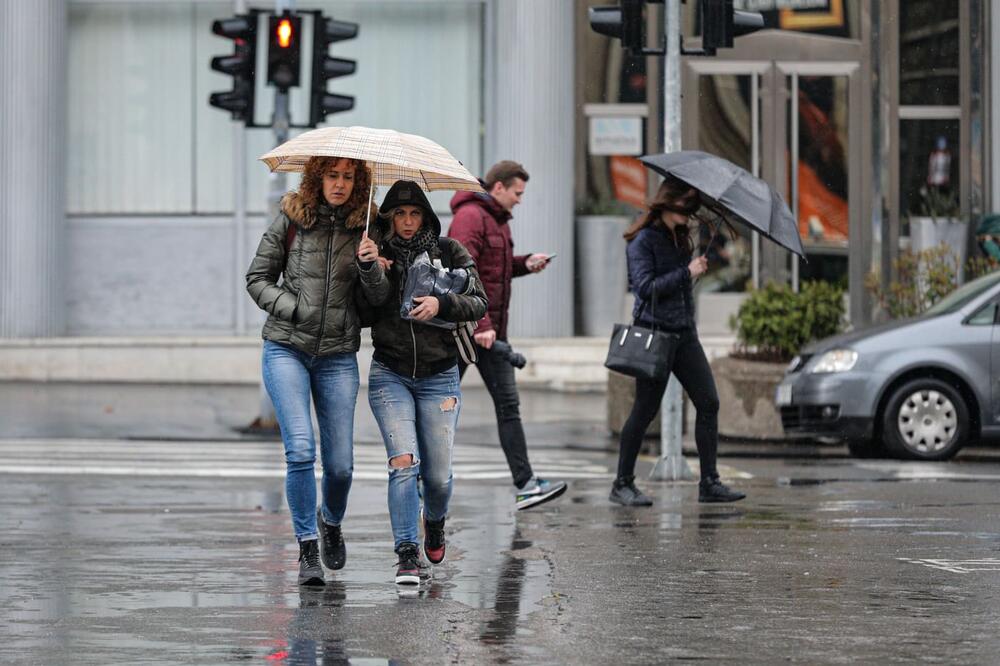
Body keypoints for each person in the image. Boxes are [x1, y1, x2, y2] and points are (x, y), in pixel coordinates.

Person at [246, 156, 389, 586]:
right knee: (302, 450)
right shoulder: (292, 218)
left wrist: (370, 266)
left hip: (338, 356)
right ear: (317, 178)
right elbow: (257, 277)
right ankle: (308, 549)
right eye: (332, 175)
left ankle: (331, 521)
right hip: (286, 349)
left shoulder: (368, 229)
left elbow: (377, 303)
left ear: (357, 183)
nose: (340, 184)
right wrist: (294, 309)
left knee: (342, 465)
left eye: (348, 177)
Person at [366, 180, 487, 586]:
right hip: (390, 373)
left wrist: (442, 303)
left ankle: (434, 523)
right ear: (388, 217)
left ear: (426, 217)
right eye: (398, 214)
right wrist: (370, 271)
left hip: (439, 377)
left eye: (414, 213)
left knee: (437, 476)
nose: (406, 221)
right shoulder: (375, 252)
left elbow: (479, 301)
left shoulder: (449, 251)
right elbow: (362, 311)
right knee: (403, 463)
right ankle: (406, 553)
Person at [611, 176, 746, 507]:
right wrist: (687, 272)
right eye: (685, 205)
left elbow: (677, 286)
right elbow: (644, 288)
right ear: (668, 204)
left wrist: (691, 273)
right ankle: (622, 483)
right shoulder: (643, 241)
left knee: (709, 402)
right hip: (655, 335)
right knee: (644, 411)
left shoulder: (682, 238)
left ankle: (710, 481)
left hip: (685, 334)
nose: (690, 213)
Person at [447, 161, 568, 511]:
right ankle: (424, 481)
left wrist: (525, 263)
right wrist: (481, 324)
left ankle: (527, 484)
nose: (520, 200)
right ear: (497, 187)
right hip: (466, 332)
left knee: (508, 407)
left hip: (490, 334)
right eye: (517, 192)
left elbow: (492, 270)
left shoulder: (496, 220)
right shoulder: (471, 216)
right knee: (440, 408)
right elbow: (461, 273)